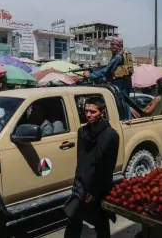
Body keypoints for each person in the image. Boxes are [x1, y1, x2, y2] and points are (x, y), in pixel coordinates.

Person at [64, 96, 119, 238]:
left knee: (100, 220)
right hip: (81, 184)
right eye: (86, 111)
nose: (88, 115)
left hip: (98, 186)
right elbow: (81, 161)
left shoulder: (110, 136)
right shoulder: (82, 132)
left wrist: (94, 192)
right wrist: (78, 185)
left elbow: (106, 168)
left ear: (102, 112)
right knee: (73, 218)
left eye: (93, 112)